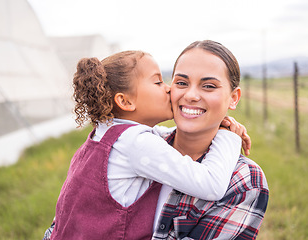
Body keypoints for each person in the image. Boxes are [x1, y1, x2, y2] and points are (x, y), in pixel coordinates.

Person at [45, 50, 251, 239]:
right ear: (125, 102)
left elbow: (159, 136)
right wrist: (228, 136)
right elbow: (211, 185)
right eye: (158, 82)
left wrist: (212, 128)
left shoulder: (107, 134)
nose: (169, 89)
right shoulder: (136, 144)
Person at [151, 40, 269, 240]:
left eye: (208, 86)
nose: (191, 95)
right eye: (181, 83)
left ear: (233, 98)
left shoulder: (245, 181)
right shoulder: (144, 144)